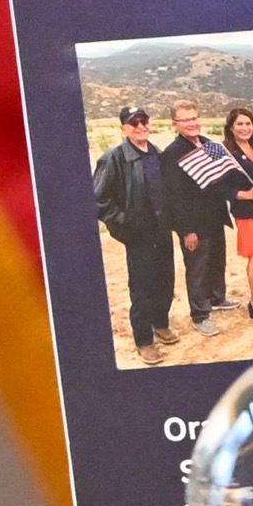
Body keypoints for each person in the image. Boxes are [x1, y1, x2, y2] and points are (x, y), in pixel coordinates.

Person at [91, 104, 175, 364]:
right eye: (134, 122)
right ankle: (144, 340)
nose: (140, 126)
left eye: (144, 121)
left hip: (162, 230)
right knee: (142, 288)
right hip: (139, 234)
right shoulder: (113, 158)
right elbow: (98, 200)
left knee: (165, 280)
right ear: (123, 128)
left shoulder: (156, 153)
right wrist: (126, 223)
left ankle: (160, 324)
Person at [158, 99, 235, 334]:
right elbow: (174, 197)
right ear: (175, 124)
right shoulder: (172, 154)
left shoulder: (208, 144)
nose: (192, 123)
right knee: (197, 269)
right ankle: (200, 314)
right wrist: (186, 230)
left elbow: (222, 175)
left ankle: (216, 298)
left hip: (214, 217)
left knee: (216, 261)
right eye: (186, 120)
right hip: (193, 223)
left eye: (194, 118)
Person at [215, 104, 253, 320]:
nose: (245, 127)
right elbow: (220, 187)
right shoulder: (227, 154)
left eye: (248, 123)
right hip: (247, 212)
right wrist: (242, 194)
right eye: (239, 123)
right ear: (231, 128)